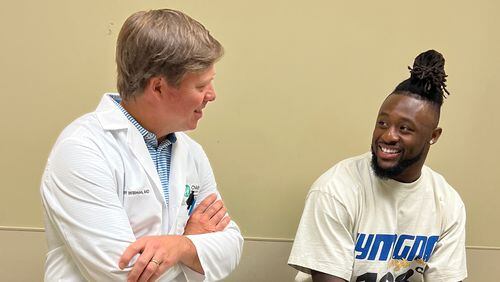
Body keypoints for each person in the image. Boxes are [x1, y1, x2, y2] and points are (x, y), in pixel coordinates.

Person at [40, 9, 243, 281]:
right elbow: (124, 272)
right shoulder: (82, 149)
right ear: (158, 87)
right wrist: (192, 244)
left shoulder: (191, 153)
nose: (212, 95)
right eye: (201, 85)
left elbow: (231, 243)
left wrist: (181, 246)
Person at [288, 50, 467, 282]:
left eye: (404, 128)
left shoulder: (447, 203)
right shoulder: (335, 189)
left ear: (433, 136)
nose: (388, 136)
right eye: (382, 123)